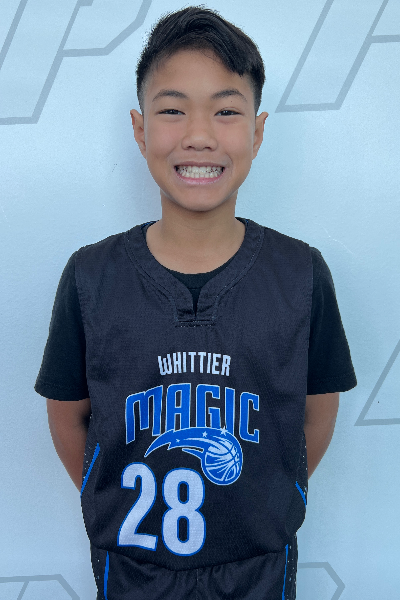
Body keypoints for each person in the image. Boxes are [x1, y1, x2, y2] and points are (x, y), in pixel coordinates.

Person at [34, 6, 357, 599]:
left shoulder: (301, 274)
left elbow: (315, 413)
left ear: (258, 131)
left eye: (226, 111)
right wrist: (116, 500)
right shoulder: (91, 276)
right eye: (173, 109)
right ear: (140, 130)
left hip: (257, 572)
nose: (200, 134)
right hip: (134, 573)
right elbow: (68, 417)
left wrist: (260, 500)